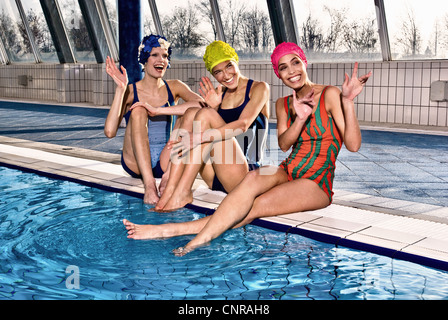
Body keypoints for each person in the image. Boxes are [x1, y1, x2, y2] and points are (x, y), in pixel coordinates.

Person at [122, 42, 371, 256]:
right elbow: (285, 144)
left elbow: (353, 145)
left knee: (253, 208)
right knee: (250, 174)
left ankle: (177, 233)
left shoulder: (330, 94)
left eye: (295, 63)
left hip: (315, 181)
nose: (291, 71)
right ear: (279, 73)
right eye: (283, 68)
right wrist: (302, 118)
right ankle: (175, 194)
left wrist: (348, 102)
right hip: (286, 169)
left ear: (304, 62)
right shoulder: (284, 103)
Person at [154, 40, 270, 211]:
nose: (226, 75)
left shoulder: (259, 88)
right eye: (218, 72)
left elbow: (243, 125)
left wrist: (200, 131)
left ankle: (183, 190)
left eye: (229, 66)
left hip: (243, 176)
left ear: (235, 61)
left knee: (205, 114)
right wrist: (215, 107)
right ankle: (172, 184)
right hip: (214, 176)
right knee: (194, 113)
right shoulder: (219, 94)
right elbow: (197, 116)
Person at [104, 34, 203, 205]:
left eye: (165, 55)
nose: (161, 60)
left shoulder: (175, 87)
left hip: (165, 161)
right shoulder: (131, 90)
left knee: (190, 113)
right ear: (144, 59)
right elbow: (110, 131)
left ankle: (168, 176)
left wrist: (159, 110)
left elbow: (203, 105)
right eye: (155, 55)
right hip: (135, 163)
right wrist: (120, 90)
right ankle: (149, 186)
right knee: (139, 110)